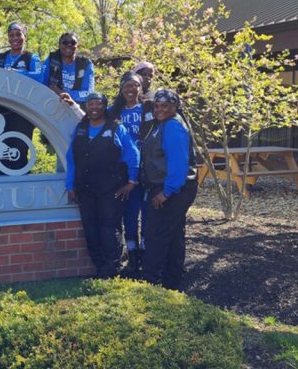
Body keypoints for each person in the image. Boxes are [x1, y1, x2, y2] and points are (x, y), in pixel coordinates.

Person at [62, 91, 140, 279]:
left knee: (108, 228)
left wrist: (131, 181)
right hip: (85, 189)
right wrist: (70, 185)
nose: (94, 108)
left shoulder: (115, 128)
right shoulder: (81, 128)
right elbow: (71, 159)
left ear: (105, 106)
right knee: (90, 228)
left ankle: (112, 268)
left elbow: (133, 155)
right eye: (91, 104)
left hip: (110, 189)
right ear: (86, 107)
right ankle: (100, 267)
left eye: (98, 104)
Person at [140, 89, 198, 290]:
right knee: (173, 235)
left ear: (175, 106)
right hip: (167, 188)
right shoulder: (163, 124)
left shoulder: (173, 126)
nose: (160, 109)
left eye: (165, 106)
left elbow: (179, 164)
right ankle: (172, 282)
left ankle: (150, 282)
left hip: (173, 190)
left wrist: (167, 192)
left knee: (157, 234)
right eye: (156, 106)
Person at [108, 71, 154, 276]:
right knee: (129, 215)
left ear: (141, 87)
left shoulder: (149, 108)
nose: (131, 89)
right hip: (125, 172)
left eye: (135, 85)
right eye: (127, 85)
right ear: (121, 88)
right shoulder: (114, 111)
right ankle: (132, 256)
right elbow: (91, 118)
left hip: (149, 170)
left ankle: (146, 254)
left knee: (147, 214)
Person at [0, 22, 42, 174]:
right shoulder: (0, 57)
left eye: (19, 34)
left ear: (24, 37)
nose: (15, 38)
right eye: (12, 35)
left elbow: (39, 77)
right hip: (0, 112)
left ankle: (21, 189)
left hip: (23, 114)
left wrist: (16, 74)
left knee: (20, 150)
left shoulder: (31, 57)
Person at [44, 32, 95, 103]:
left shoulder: (86, 64)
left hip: (76, 107)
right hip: (51, 102)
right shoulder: (51, 60)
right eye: (65, 42)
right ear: (59, 45)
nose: (69, 45)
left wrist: (63, 93)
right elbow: (42, 82)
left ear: (78, 46)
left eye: (73, 43)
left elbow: (89, 93)